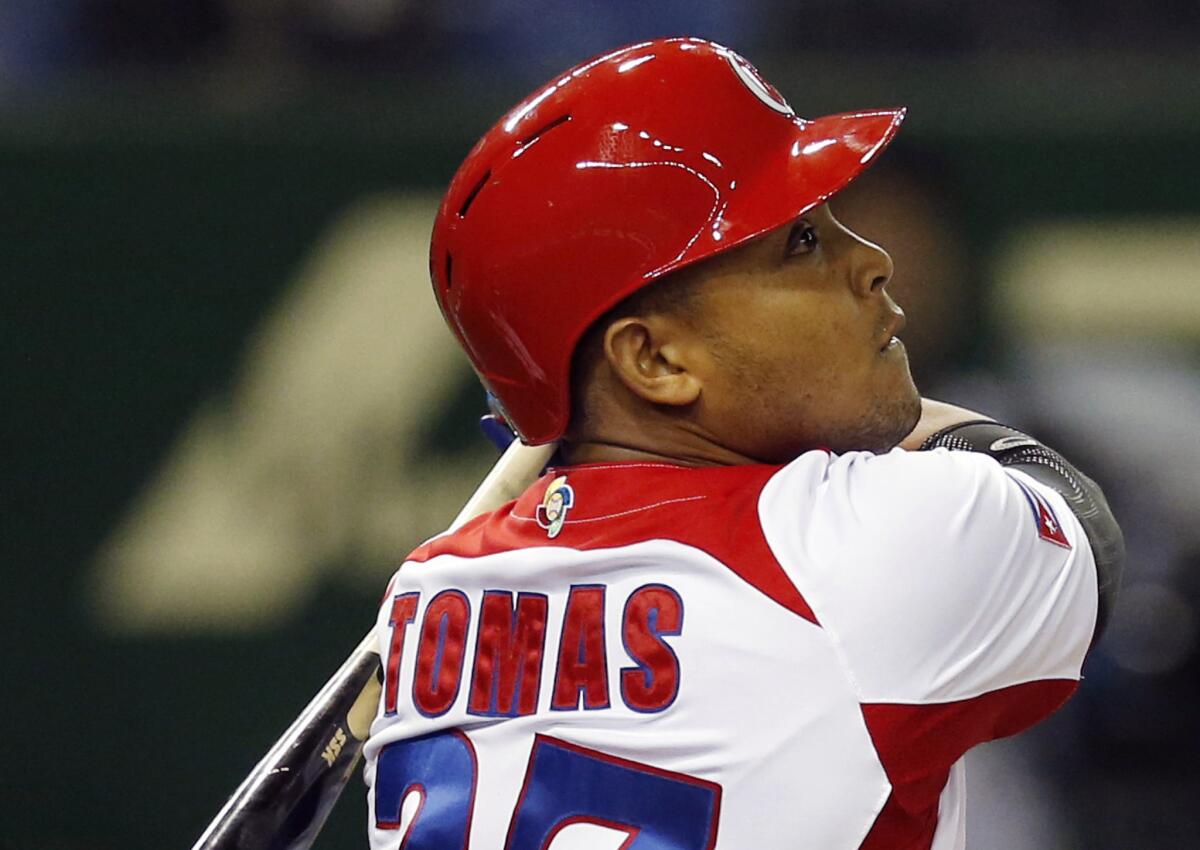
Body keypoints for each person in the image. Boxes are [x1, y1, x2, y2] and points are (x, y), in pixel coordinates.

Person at [363, 37, 1123, 848]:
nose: (871, 261)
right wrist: (905, 414)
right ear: (653, 359)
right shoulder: (865, 540)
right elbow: (1084, 529)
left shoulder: (425, 597)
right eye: (800, 243)